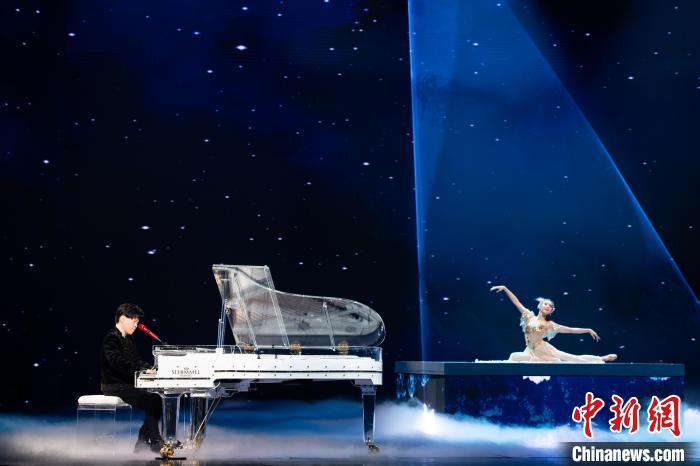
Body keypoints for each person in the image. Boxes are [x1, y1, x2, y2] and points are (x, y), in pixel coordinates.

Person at [490, 285, 617, 362]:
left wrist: (588, 330)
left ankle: (601, 358)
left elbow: (570, 330)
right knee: (514, 356)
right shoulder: (528, 316)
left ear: (551, 311)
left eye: (550, 306)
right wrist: (505, 289)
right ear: (540, 306)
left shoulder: (549, 324)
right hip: (530, 350)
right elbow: (517, 302)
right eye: (545, 304)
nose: (547, 306)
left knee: (573, 358)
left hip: (543, 349)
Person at [100, 303, 163, 453]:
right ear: (122, 318)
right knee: (151, 400)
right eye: (134, 321)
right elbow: (117, 362)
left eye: (137, 322)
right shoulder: (111, 338)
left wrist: (151, 368)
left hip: (128, 384)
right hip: (114, 386)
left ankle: (142, 442)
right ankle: (154, 441)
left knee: (157, 399)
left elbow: (137, 361)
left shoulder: (129, 339)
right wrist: (142, 370)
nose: (136, 325)